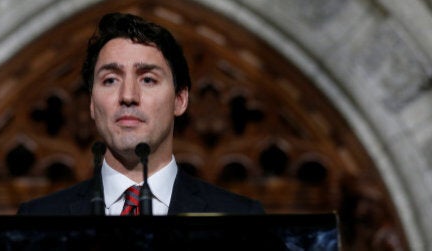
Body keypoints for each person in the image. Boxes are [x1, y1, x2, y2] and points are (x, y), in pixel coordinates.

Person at [17, 12, 265, 216]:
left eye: (147, 79)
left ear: (180, 99)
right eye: (111, 80)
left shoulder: (241, 218)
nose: (128, 96)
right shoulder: (38, 219)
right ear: (92, 103)